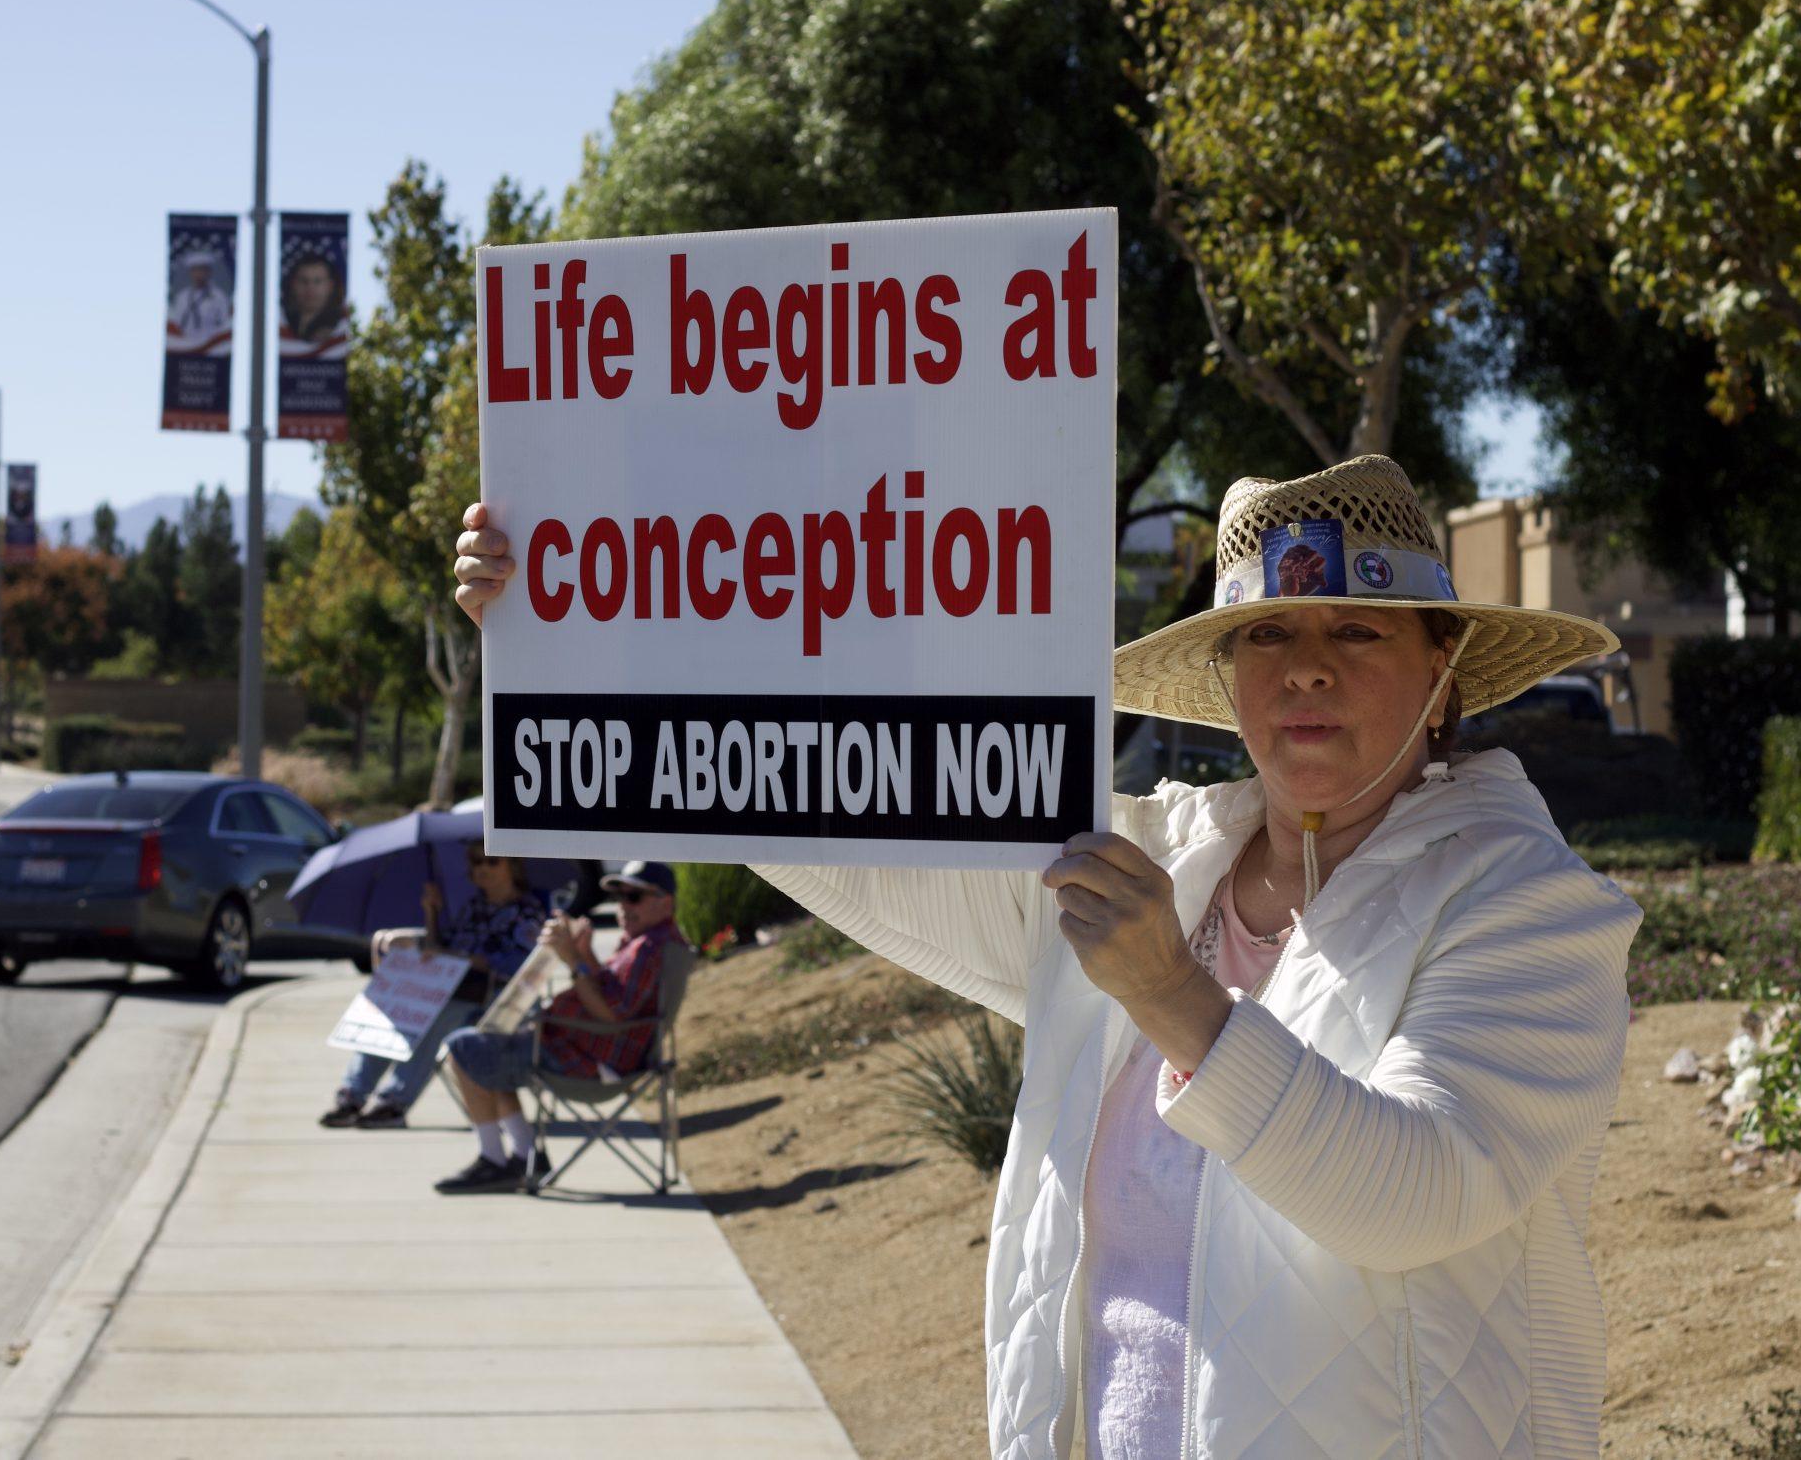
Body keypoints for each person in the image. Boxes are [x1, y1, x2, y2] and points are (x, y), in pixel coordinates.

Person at [449, 455, 1641, 1459]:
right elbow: (828, 823)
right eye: (1266, 631)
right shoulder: (1148, 858)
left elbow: (1420, 1191)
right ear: (1227, 683)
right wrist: (579, 626)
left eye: (1356, 629)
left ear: (1441, 678)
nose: (1307, 664)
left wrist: (1176, 999)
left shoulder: (1529, 906)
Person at [429, 861, 685, 1193]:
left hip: (588, 1061)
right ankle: (523, 1155)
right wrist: (584, 953)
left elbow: (611, 1016)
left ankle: (497, 1159)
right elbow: (610, 990)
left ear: (665, 902)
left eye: (633, 897)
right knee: (485, 1048)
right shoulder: (649, 940)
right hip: (584, 1049)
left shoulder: (649, 948)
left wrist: (572, 960)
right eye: (620, 898)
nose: (623, 906)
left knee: (462, 1048)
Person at [319, 840, 547, 1129]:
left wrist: (467, 959)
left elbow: (518, 967)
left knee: (437, 1015)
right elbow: (441, 948)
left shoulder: (527, 911)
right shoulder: (474, 906)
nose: (482, 869)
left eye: (492, 861)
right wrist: (431, 912)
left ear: (512, 866)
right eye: (476, 862)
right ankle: (352, 1094)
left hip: (493, 998)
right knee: (392, 1007)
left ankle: (394, 1102)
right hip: (450, 987)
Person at [279, 252, 348, 346]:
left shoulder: (336, 324)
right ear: (293, 285)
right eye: (303, 281)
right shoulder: (286, 320)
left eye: (317, 281)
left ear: (330, 286)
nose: (310, 288)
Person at [167, 255, 233, 346]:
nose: (198, 274)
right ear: (191, 273)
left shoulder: (218, 297)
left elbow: (224, 322)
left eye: (202, 270)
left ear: (208, 272)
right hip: (185, 343)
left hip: (211, 343)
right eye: (195, 270)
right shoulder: (182, 297)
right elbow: (176, 321)